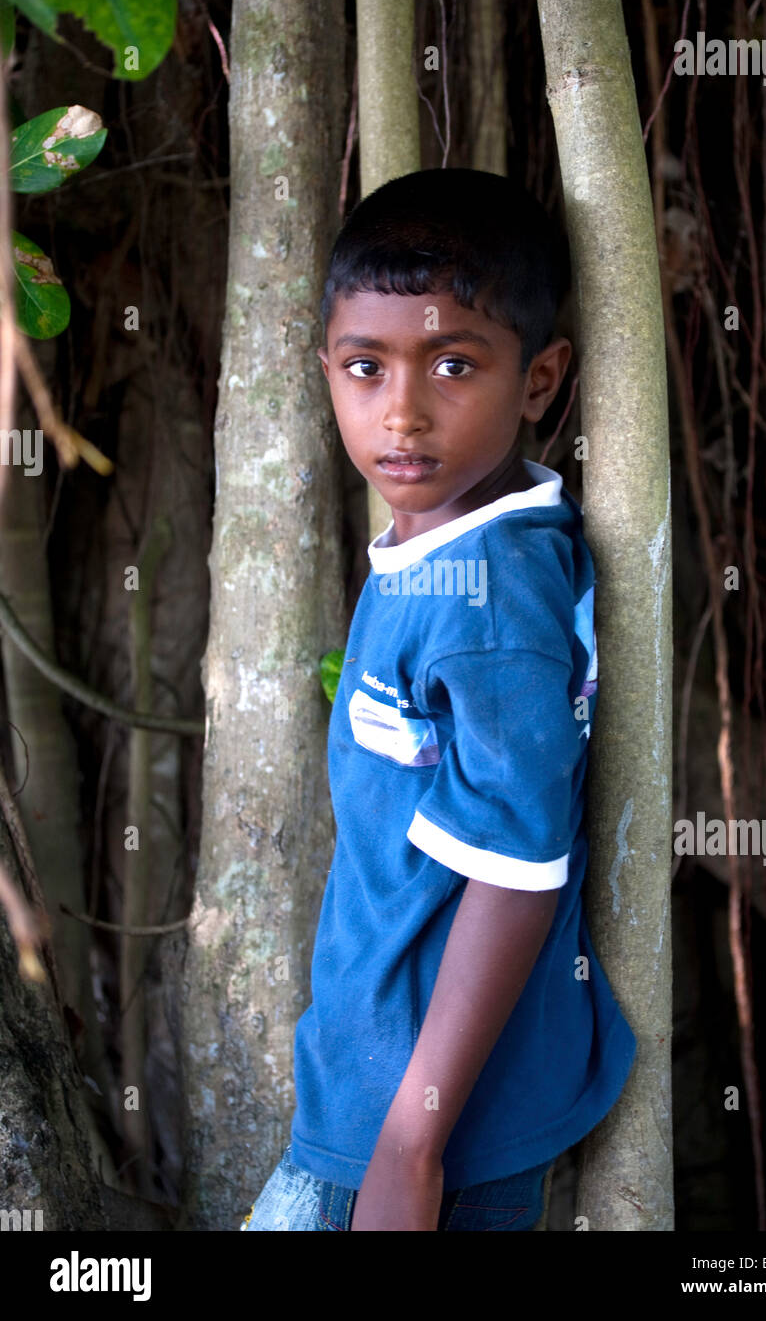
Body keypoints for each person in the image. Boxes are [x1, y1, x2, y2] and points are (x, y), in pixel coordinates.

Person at [242, 168, 636, 1232]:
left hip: (420, 1124)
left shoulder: (491, 598)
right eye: (364, 367)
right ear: (325, 367)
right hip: (375, 1083)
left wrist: (411, 1144)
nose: (400, 412)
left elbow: (515, 871)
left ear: (539, 378)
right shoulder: (446, 547)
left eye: (453, 364)